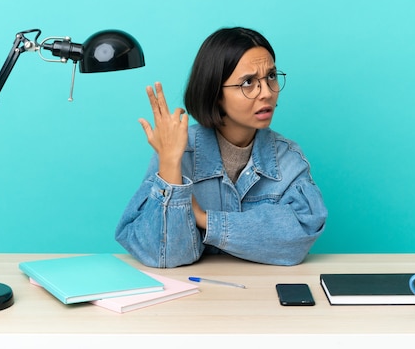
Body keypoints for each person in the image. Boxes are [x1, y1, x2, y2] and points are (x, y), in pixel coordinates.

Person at [115, 27, 327, 268]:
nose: (267, 93)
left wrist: (204, 219)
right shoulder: (178, 150)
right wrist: (170, 165)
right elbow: (165, 255)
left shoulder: (288, 159)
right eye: (248, 82)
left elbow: (296, 241)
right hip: (194, 298)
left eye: (271, 76)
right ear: (215, 92)